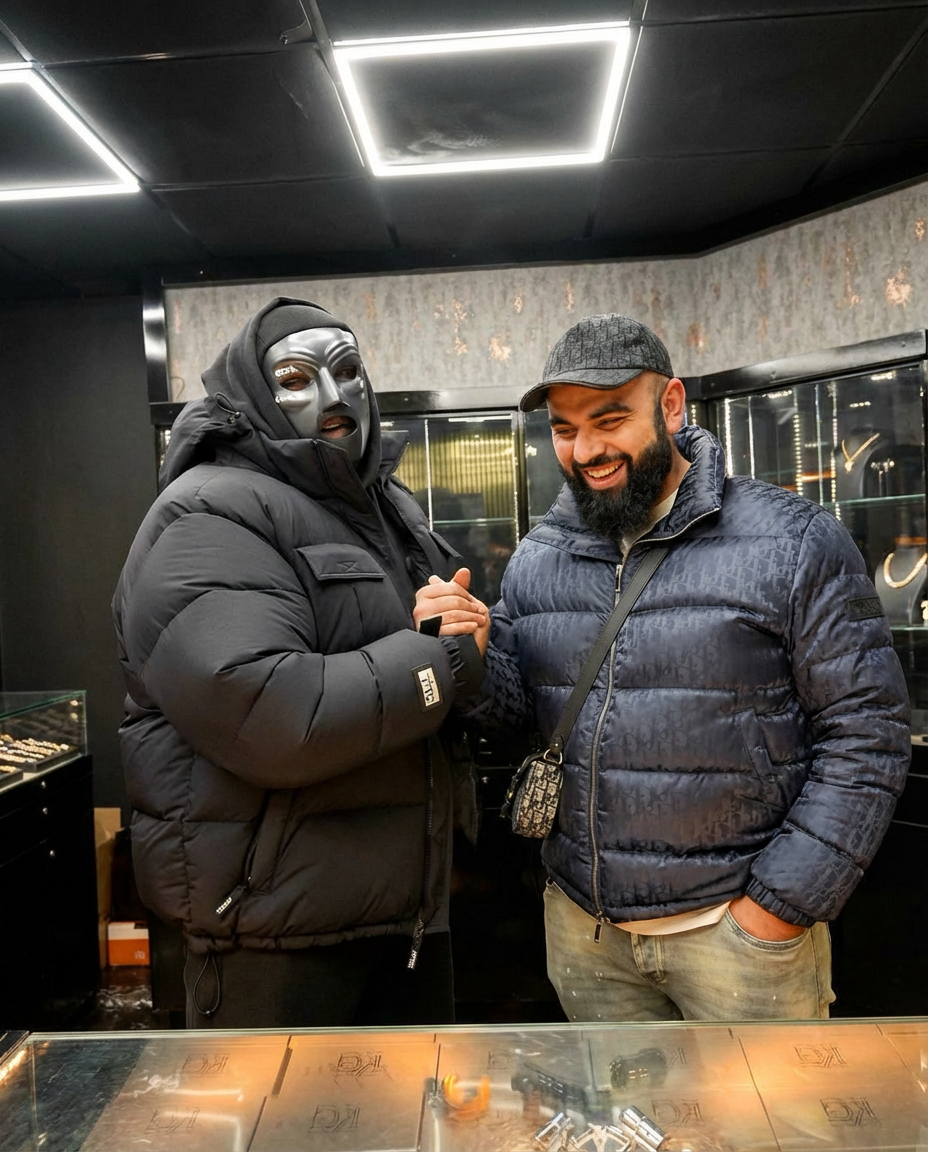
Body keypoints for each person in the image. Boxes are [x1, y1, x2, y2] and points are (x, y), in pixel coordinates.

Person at [415, 314, 911, 1023]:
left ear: (671, 405)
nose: (587, 450)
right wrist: (472, 650)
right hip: (586, 935)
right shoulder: (540, 556)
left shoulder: (794, 541)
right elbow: (521, 714)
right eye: (564, 429)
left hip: (738, 941)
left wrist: (779, 909)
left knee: (767, 1103)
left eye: (610, 419)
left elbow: (868, 735)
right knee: (611, 1103)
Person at [113, 297, 486, 1029]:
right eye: (295, 378)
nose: (332, 395)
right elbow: (272, 716)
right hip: (273, 937)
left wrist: (462, 627)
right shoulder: (209, 514)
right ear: (252, 396)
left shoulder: (388, 508)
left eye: (347, 371)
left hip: (401, 915)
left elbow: (438, 634)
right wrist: (442, 660)